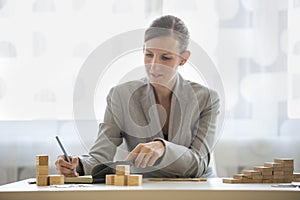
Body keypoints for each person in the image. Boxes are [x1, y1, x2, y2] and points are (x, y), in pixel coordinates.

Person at [55, 15, 220, 178]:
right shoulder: (121, 96)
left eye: (166, 57)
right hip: (146, 190)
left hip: (196, 190)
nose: (154, 65)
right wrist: (78, 165)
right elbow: (100, 156)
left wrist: (163, 148)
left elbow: (198, 165)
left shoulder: (206, 99)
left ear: (183, 58)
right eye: (149, 55)